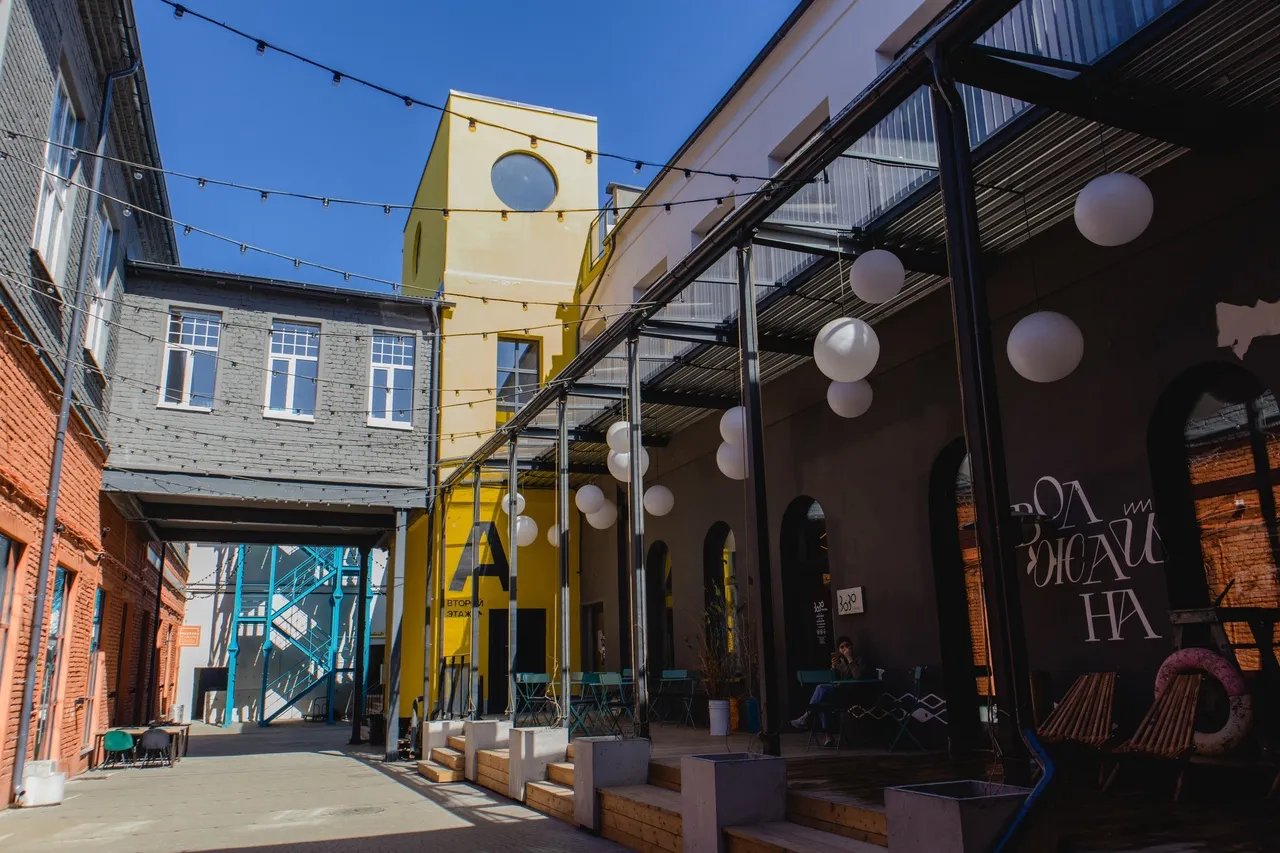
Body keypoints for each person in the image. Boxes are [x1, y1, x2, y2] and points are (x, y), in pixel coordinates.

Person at [790, 636, 866, 746]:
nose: (845, 649)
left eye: (847, 646)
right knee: (823, 699)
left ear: (852, 647)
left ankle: (807, 717)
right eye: (842, 647)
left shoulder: (859, 659)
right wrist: (833, 668)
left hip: (853, 694)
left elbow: (858, 676)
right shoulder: (840, 662)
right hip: (840, 692)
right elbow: (834, 681)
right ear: (839, 650)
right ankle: (828, 735)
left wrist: (850, 659)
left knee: (821, 688)